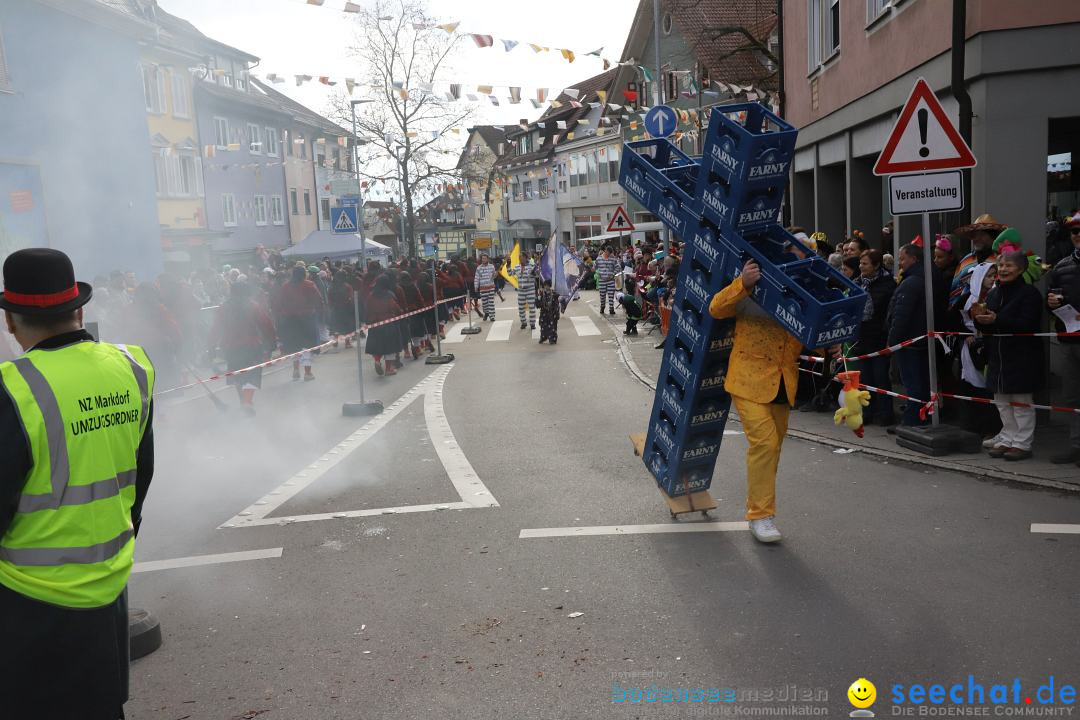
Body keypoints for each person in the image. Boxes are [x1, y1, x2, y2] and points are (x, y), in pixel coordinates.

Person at [0, 248, 155, 719]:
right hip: (109, 583)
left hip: (30, 599)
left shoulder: (13, 389)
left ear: (10, 321)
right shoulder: (133, 366)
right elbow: (142, 472)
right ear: (79, 309)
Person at [708, 259, 821, 543]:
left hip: (783, 382)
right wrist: (743, 283)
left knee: (773, 449)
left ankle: (761, 510)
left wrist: (827, 340)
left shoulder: (803, 296)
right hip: (748, 379)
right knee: (765, 444)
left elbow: (811, 336)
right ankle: (760, 515)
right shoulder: (751, 290)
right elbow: (716, 308)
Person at [976, 250, 1044, 461]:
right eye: (1001, 266)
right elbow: (990, 323)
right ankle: (1007, 438)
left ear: (1021, 269)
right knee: (1001, 402)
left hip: (1022, 354)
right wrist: (980, 320)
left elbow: (1027, 325)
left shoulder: (1029, 294)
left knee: (1021, 402)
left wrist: (997, 320)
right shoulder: (994, 293)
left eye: (1009, 266)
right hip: (998, 354)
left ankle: (1022, 443)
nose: (1004, 270)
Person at [887, 243, 946, 427]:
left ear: (914, 259)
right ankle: (924, 416)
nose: (900, 263)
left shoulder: (912, 282)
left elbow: (901, 315)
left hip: (910, 342)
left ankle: (912, 420)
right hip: (923, 340)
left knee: (914, 384)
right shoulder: (929, 278)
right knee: (923, 382)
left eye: (903, 259)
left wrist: (892, 341)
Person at [210, 279, 275, 415]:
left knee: (238, 374)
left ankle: (243, 401)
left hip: (230, 347)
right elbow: (266, 324)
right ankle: (247, 401)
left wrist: (211, 347)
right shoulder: (253, 305)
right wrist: (271, 341)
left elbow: (215, 329)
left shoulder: (223, 307)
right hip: (251, 345)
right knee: (253, 374)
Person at [1046, 218, 1080, 465]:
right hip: (1069, 340)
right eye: (1074, 231)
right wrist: (1051, 305)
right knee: (1072, 396)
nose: (1077, 235)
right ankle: (1076, 445)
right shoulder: (1062, 266)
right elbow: (1051, 299)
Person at [855, 250, 896, 427]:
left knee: (880, 378)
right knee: (865, 379)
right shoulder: (857, 283)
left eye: (865, 264)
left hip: (879, 338)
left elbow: (889, 312)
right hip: (861, 337)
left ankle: (886, 413)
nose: (861, 267)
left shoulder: (888, 285)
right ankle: (867, 412)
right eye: (860, 263)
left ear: (876, 265)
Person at [272, 265, 324, 381]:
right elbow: (319, 300)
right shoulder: (309, 284)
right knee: (307, 346)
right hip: (307, 318)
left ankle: (295, 371)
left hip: (290, 320)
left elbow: (279, 303)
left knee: (294, 346)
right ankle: (307, 373)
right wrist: (318, 311)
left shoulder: (285, 287)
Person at [950, 213, 1005, 310]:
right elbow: (956, 289)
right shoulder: (966, 260)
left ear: (993, 237)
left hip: (993, 315)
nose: (976, 238)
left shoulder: (1002, 260)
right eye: (974, 235)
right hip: (963, 317)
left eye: (982, 235)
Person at [364, 274, 404, 376]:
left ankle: (377, 361)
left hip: (375, 324)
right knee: (390, 347)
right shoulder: (389, 295)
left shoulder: (371, 295)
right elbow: (394, 307)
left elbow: (367, 309)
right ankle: (389, 368)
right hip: (388, 324)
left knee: (377, 345)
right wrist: (401, 312)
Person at [514, 254, 538, 330]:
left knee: (532, 308)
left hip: (530, 290)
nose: (521, 260)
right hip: (521, 291)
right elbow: (510, 273)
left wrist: (534, 272)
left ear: (526, 258)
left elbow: (537, 275)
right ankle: (523, 322)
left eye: (522, 258)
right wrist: (508, 264)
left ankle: (532, 323)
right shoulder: (517, 267)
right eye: (519, 258)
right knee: (521, 308)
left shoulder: (531, 266)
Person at [595, 245, 619, 315]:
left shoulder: (613, 259)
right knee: (602, 295)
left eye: (610, 253)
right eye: (607, 252)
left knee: (611, 295)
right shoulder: (598, 258)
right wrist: (597, 272)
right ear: (605, 251)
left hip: (610, 280)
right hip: (602, 280)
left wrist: (613, 274)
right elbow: (595, 267)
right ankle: (602, 306)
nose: (608, 254)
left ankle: (611, 309)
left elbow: (618, 267)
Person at [474, 254, 497, 321]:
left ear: (488, 259)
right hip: (482, 288)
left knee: (491, 303)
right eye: (482, 258)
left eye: (485, 258)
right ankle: (486, 313)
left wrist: (495, 274)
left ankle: (492, 316)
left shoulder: (492, 266)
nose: (483, 260)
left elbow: (494, 276)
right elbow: (476, 278)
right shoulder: (479, 268)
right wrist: (476, 286)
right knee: (484, 303)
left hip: (491, 287)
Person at [537, 279, 560, 344]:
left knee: (552, 327)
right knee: (543, 327)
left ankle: (552, 339)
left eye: (547, 285)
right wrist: (538, 298)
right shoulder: (542, 294)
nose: (545, 287)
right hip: (544, 313)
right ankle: (543, 338)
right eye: (544, 286)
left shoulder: (554, 294)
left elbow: (556, 305)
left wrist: (557, 313)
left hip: (551, 313)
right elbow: (538, 305)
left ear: (549, 286)